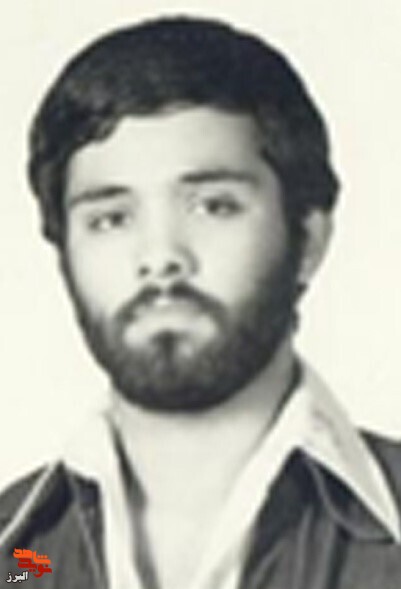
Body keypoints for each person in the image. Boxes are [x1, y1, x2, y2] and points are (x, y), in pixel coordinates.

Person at [0, 15, 400, 589]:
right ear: (64, 253)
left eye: (214, 206)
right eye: (111, 218)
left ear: (308, 241)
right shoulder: (22, 559)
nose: (161, 257)